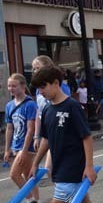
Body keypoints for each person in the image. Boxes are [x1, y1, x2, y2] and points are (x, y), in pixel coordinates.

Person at [16, 66, 103, 203]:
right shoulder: (48, 110)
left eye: (43, 87)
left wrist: (88, 166)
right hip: (59, 166)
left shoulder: (72, 107)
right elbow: (46, 140)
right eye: (38, 88)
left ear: (56, 83)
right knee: (82, 200)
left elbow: (86, 137)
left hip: (74, 165)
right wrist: (36, 163)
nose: (40, 91)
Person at [4, 73, 44, 203]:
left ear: (22, 86)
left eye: (14, 85)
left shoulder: (29, 104)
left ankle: (31, 202)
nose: (11, 88)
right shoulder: (9, 106)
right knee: (29, 177)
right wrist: (8, 149)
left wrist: (24, 150)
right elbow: (9, 128)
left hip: (26, 147)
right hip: (16, 145)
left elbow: (30, 129)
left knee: (14, 175)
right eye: (9, 86)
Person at [32, 56, 72, 184]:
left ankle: (48, 170)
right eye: (33, 69)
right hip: (46, 122)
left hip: (59, 124)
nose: (35, 71)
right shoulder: (39, 91)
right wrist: (36, 135)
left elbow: (66, 107)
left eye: (37, 68)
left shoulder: (60, 87)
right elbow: (39, 112)